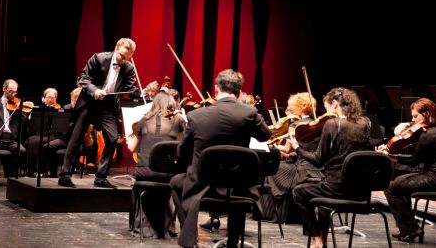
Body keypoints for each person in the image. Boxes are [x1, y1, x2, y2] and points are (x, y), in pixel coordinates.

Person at [170, 69, 272, 248]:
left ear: (216, 89)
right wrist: (254, 114)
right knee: (239, 182)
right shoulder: (249, 113)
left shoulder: (196, 115)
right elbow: (265, 135)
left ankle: (190, 238)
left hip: (202, 187)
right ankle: (233, 242)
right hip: (238, 188)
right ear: (239, 92)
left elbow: (182, 153)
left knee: (176, 181)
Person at [290, 87, 372, 248]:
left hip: (337, 188)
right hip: (361, 191)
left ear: (334, 104)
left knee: (298, 193)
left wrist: (297, 148)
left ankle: (317, 240)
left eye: (326, 107)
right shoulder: (366, 123)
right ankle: (324, 240)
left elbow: (318, 160)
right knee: (322, 203)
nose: (326, 111)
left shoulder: (332, 124)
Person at [58, 38, 141, 188]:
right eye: (122, 56)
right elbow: (83, 78)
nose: (124, 61)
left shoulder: (128, 67)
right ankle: (65, 175)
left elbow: (130, 90)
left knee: (113, 138)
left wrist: (143, 92)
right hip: (89, 102)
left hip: (108, 106)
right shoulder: (98, 58)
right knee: (76, 138)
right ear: (116, 48)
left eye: (128, 58)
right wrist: (95, 91)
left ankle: (101, 176)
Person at [377, 98, 436, 243]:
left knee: (390, 188)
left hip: (435, 178)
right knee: (399, 184)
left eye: (415, 116)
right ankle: (409, 229)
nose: (413, 120)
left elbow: (413, 161)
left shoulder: (429, 135)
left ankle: (411, 229)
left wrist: (390, 156)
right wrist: (409, 124)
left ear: (426, 114)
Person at [126, 91, 186, 238]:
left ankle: (138, 226)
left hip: (144, 173)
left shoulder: (144, 119)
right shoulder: (178, 120)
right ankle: (169, 227)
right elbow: (180, 148)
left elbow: (132, 148)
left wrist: (129, 141)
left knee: (137, 186)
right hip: (167, 175)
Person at [265, 92, 322, 223]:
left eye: (293, 106)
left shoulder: (295, 126)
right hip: (317, 167)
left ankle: (276, 213)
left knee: (273, 169)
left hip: (300, 168)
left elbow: (286, 149)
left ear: (300, 107)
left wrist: (271, 145)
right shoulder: (318, 124)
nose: (291, 109)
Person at [25, 88, 62, 177]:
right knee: (30, 141)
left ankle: (42, 170)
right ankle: (31, 170)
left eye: (53, 98)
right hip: (39, 134)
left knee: (38, 142)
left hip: (54, 135)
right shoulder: (38, 109)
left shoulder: (60, 110)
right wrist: (30, 115)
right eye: (48, 97)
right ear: (43, 98)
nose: (50, 100)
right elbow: (30, 125)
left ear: (56, 98)